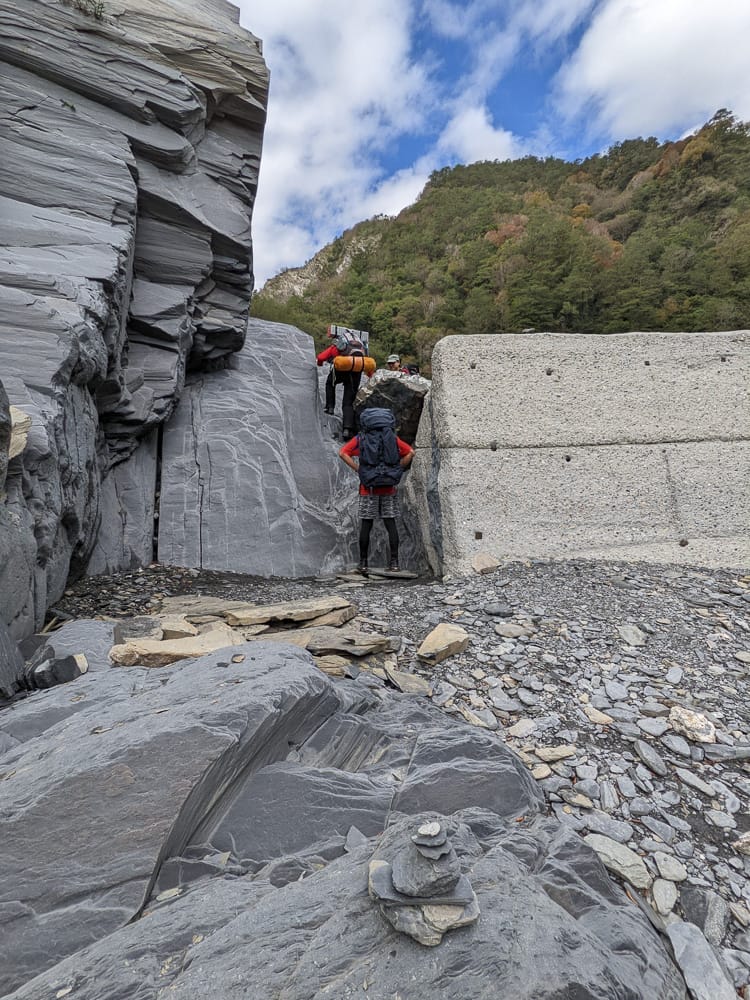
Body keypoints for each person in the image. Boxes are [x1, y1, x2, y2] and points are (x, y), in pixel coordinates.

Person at [339, 423, 414, 574]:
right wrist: (398, 467)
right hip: (388, 488)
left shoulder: (361, 438)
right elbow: (410, 452)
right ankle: (394, 563)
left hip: (368, 489)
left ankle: (363, 564)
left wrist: (358, 469)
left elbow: (342, 453)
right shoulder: (391, 438)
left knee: (366, 525)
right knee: (390, 523)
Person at [317, 331, 362, 439]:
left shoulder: (337, 346)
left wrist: (320, 364)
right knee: (348, 402)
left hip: (340, 369)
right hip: (356, 372)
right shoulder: (361, 346)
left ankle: (330, 407)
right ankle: (347, 429)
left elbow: (321, 357)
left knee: (330, 383)